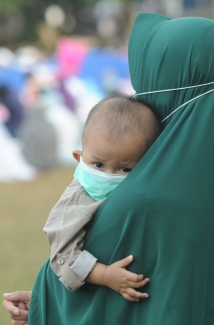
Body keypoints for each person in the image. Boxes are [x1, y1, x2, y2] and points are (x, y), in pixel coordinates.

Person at [4, 13, 214, 325]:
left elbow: (86, 290)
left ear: (171, 87)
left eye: (148, 83)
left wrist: (44, 305)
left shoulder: (141, 199)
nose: (142, 96)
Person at [45, 94, 159, 297]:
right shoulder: (75, 204)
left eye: (124, 169)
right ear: (78, 158)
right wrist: (105, 275)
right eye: (98, 165)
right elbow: (63, 255)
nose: (108, 175)